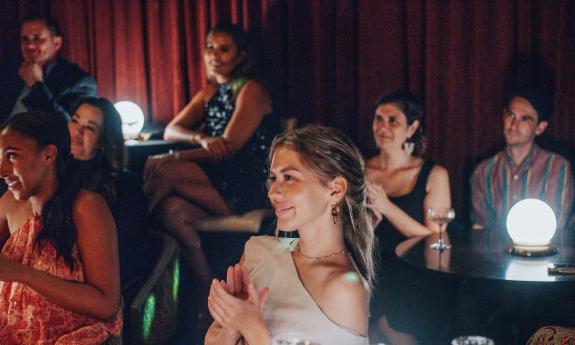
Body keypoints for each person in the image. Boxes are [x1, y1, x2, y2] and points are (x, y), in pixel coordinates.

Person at [143, 23, 280, 309]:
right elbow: (172, 130)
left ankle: (132, 234)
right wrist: (201, 138)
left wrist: (176, 157)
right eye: (210, 48)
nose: (214, 55)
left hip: (246, 184)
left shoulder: (252, 89)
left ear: (241, 55)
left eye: (224, 49)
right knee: (170, 210)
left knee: (164, 169)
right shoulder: (210, 92)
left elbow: (228, 148)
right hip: (216, 181)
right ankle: (208, 292)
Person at [204, 125, 374, 345]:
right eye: (273, 178)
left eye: (289, 178)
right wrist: (231, 326)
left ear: (335, 190)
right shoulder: (258, 250)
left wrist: (253, 328)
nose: (273, 192)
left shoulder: (345, 288)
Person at [0, 111, 121, 344]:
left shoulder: (87, 207)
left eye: (11, 156)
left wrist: (22, 274)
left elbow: (106, 304)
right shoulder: (9, 203)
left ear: (48, 154)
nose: (2, 170)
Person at [365, 91, 452, 345]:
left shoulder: (433, 174)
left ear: (412, 127)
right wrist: (365, 225)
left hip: (414, 272)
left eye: (393, 121)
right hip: (369, 265)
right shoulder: (359, 167)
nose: (383, 127)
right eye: (378, 119)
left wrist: (387, 207)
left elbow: (436, 236)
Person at [68, 97, 155, 294]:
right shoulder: (52, 171)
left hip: (102, 283)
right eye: (75, 120)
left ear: (104, 141)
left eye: (90, 128)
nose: (77, 131)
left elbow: (128, 252)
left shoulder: (124, 184)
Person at [471, 87, 574, 231]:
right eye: (511, 115)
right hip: (495, 252)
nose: (514, 125)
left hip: (546, 252)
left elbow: (555, 227)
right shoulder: (484, 171)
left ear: (540, 128)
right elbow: (482, 229)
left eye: (525, 119)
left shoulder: (557, 167)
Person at [0, 14, 97, 123]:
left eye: (37, 39)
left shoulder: (78, 82)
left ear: (56, 43)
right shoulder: (8, 73)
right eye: (25, 39)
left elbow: (68, 128)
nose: (29, 46)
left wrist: (36, 85)